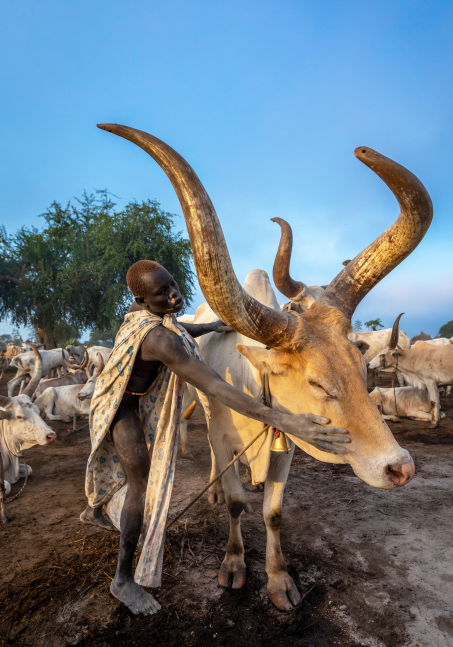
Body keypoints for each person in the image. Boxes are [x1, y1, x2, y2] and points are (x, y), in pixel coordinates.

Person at [81, 259, 349, 615]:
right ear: (142, 301)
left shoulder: (149, 314)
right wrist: (285, 420)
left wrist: (211, 325)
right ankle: (123, 580)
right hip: (123, 406)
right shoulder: (160, 340)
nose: (174, 295)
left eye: (173, 285)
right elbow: (216, 386)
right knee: (140, 483)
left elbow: (178, 327)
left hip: (139, 395)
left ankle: (94, 508)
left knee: (119, 470)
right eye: (162, 293)